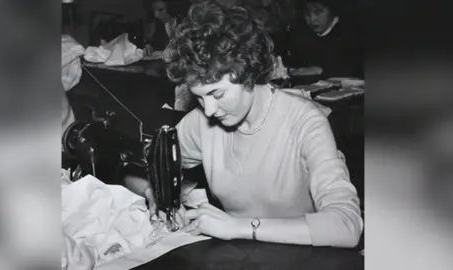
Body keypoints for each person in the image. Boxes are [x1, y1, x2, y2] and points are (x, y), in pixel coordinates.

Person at [126, 0, 362, 248]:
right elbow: (138, 171)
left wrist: (237, 226)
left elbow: (346, 226)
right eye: (199, 97)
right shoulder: (202, 122)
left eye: (217, 94)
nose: (208, 110)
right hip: (240, 258)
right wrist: (155, 193)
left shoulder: (305, 122)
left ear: (248, 72)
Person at [287, 0, 364, 79]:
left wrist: (320, 70)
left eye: (318, 11)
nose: (312, 19)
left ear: (333, 10)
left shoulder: (353, 35)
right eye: (307, 13)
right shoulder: (301, 35)